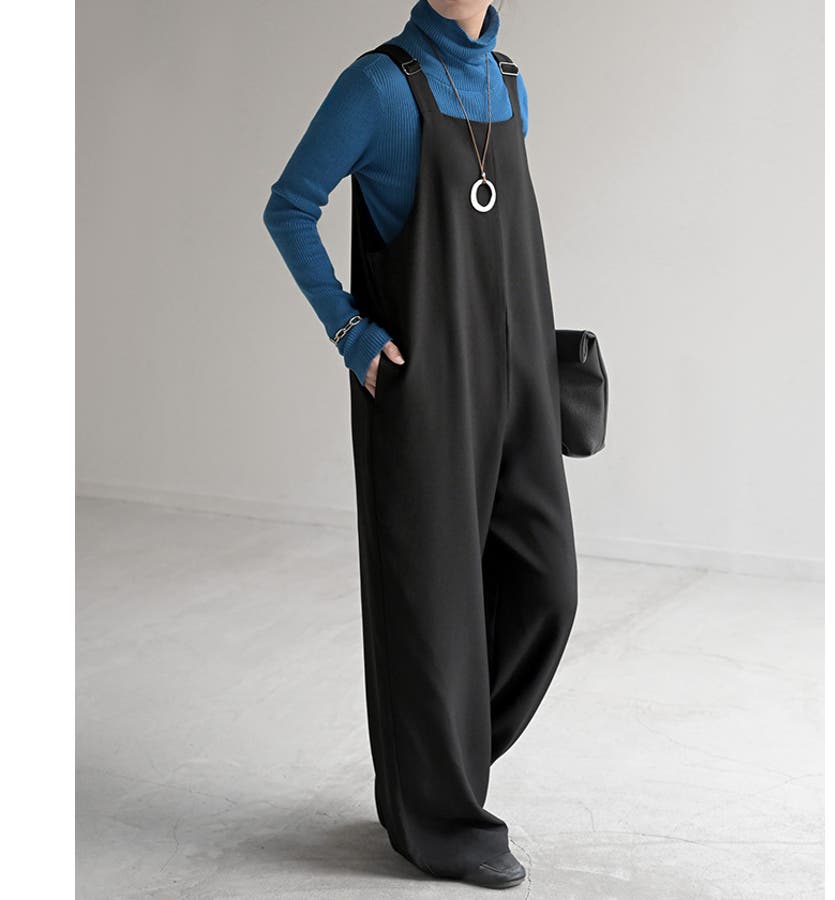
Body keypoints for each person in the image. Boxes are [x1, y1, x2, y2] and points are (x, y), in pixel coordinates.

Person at [263, 0, 578, 889]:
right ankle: (442, 819)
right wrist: (350, 332)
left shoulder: (509, 83)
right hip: (425, 394)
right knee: (434, 616)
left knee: (548, 590)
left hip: (518, 390)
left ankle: (432, 760)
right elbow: (289, 207)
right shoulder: (379, 86)